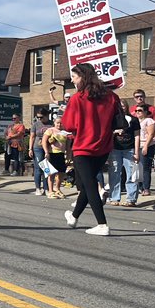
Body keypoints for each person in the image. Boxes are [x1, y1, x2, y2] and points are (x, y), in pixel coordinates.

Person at [60, 62, 121, 236]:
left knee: (90, 185)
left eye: (74, 77)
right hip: (103, 145)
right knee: (88, 184)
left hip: (83, 146)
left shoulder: (77, 98)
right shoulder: (111, 96)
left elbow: (68, 124)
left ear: (83, 77)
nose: (73, 81)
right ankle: (73, 216)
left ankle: (102, 224)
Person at [108, 99, 140, 207]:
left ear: (126, 106)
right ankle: (114, 197)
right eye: (120, 106)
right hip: (115, 149)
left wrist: (136, 152)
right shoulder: (113, 119)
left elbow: (137, 136)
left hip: (129, 149)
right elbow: (107, 132)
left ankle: (131, 199)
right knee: (115, 173)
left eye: (123, 105)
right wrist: (115, 132)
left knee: (131, 173)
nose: (122, 108)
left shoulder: (134, 119)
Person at [135, 101, 155, 196]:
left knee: (145, 168)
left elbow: (151, 134)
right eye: (136, 110)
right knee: (138, 168)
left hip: (147, 145)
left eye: (140, 110)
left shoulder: (149, 121)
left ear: (145, 112)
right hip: (138, 146)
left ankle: (146, 188)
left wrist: (145, 147)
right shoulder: (137, 121)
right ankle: (140, 187)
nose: (137, 112)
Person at [43, 115, 70, 199]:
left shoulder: (66, 132)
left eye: (61, 123)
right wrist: (46, 151)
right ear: (54, 122)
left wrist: (69, 155)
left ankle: (57, 188)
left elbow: (68, 145)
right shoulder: (50, 130)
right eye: (57, 123)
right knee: (51, 173)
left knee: (61, 172)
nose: (59, 125)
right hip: (52, 153)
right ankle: (50, 191)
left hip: (61, 154)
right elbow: (44, 141)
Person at [29, 110, 51, 196]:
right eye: (37, 117)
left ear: (46, 116)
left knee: (46, 168)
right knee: (38, 168)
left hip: (48, 148)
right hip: (37, 148)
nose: (39, 119)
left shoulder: (51, 123)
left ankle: (46, 188)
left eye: (41, 117)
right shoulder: (36, 124)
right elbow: (32, 136)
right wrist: (30, 149)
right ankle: (38, 188)